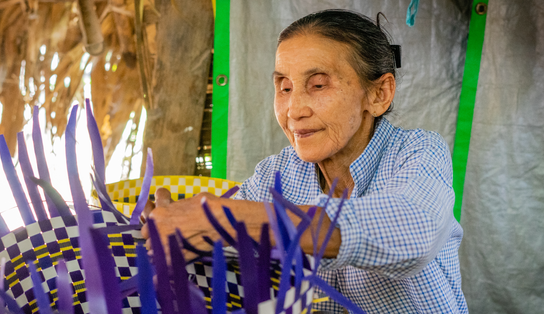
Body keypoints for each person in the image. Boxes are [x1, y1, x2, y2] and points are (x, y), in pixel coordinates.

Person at [142, 9, 467, 313]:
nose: (294, 110)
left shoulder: (416, 151)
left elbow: (413, 229)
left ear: (379, 94)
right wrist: (170, 227)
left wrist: (219, 217)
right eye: (284, 87)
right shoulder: (277, 173)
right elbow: (225, 244)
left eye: (318, 85)